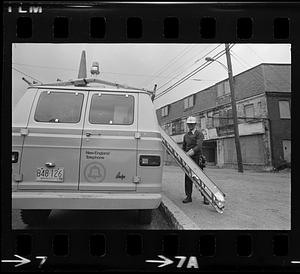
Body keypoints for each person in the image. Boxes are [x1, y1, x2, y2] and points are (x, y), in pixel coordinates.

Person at [182, 116, 209, 205]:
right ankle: (188, 196)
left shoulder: (199, 134)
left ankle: (205, 197)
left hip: (197, 158)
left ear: (195, 124)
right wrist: (182, 155)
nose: (190, 125)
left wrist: (192, 151)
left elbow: (199, 146)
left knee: (200, 178)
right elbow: (184, 147)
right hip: (188, 159)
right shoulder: (185, 135)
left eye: (192, 124)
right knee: (188, 178)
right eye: (189, 124)